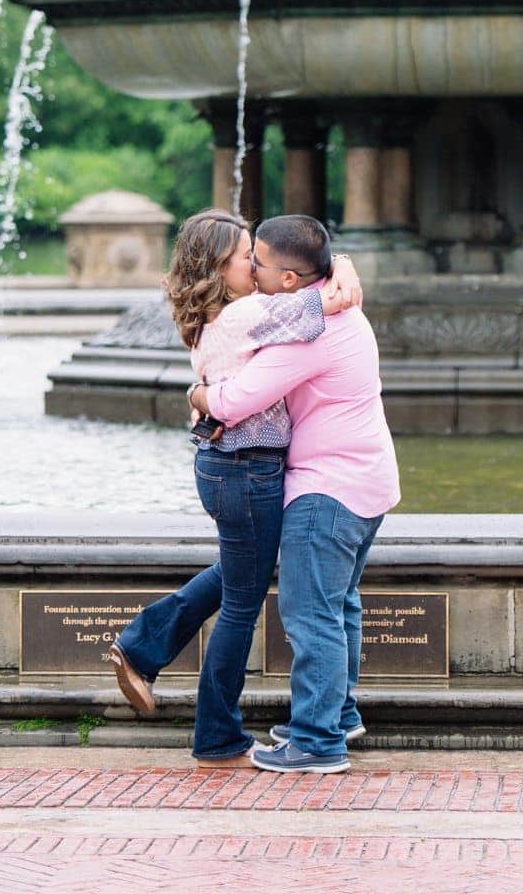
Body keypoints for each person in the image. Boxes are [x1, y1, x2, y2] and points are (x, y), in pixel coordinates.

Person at [110, 207, 360, 768]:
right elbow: (334, 298)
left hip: (226, 466)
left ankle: (145, 642)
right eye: (245, 254)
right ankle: (216, 733)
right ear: (219, 268)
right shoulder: (249, 314)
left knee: (235, 575)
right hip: (249, 469)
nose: (256, 262)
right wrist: (340, 261)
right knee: (243, 603)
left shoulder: (207, 316)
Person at [191, 214, 400, 775]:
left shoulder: (310, 332)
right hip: (367, 480)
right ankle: (337, 713)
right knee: (340, 606)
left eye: (256, 260)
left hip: (326, 490)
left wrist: (198, 393)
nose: (248, 267)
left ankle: (315, 742)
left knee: (311, 617)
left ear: (288, 280)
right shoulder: (337, 307)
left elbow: (235, 402)